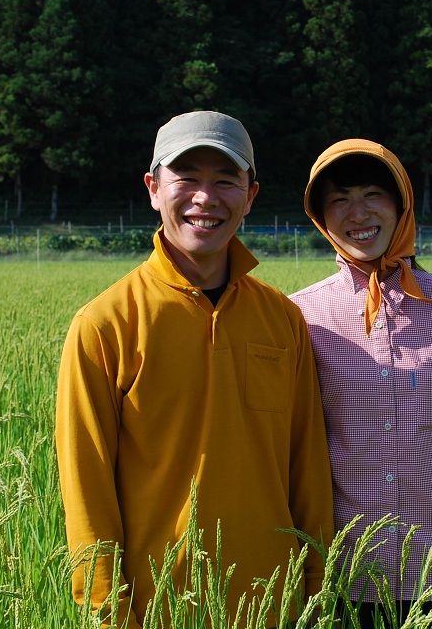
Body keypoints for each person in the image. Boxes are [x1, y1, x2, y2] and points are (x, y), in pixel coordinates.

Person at [56, 111, 334, 629]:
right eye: (187, 178)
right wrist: (110, 616)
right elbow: (86, 492)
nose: (205, 199)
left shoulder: (282, 320)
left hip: (273, 609)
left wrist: (316, 598)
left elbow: (308, 472)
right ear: (153, 188)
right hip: (157, 611)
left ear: (250, 196)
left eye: (226, 181)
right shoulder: (105, 325)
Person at [289, 139, 432, 628]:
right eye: (339, 198)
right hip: (343, 582)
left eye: (373, 194)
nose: (358, 212)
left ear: (402, 203)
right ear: (320, 216)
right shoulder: (299, 316)